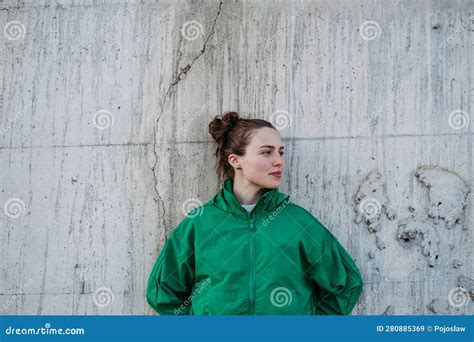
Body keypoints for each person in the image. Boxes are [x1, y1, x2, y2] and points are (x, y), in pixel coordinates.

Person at [146, 111, 364, 315]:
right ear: (235, 160)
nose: (279, 161)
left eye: (280, 152)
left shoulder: (298, 223)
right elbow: (163, 292)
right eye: (266, 152)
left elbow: (346, 284)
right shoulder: (200, 223)